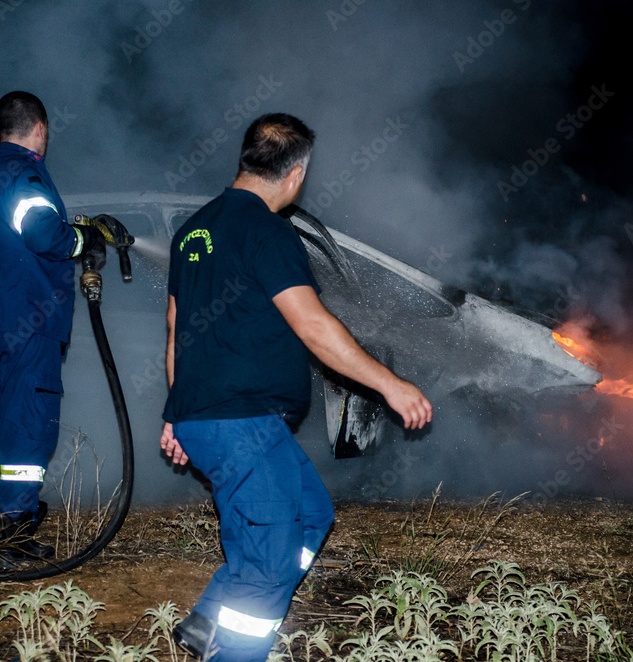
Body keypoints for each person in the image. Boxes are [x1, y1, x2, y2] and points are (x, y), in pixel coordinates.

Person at [161, 113, 432, 662]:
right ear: (296, 174)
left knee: (311, 515)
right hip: (241, 422)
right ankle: (233, 649)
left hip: (221, 418)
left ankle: (211, 614)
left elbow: (175, 330)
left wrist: (176, 412)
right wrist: (391, 385)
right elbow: (312, 325)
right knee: (269, 560)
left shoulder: (194, 229)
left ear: (246, 158)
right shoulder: (267, 230)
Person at [0, 91, 105, 565]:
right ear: (41, 129)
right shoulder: (25, 173)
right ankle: (13, 530)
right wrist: (85, 238)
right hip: (25, 322)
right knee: (28, 425)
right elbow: (42, 233)